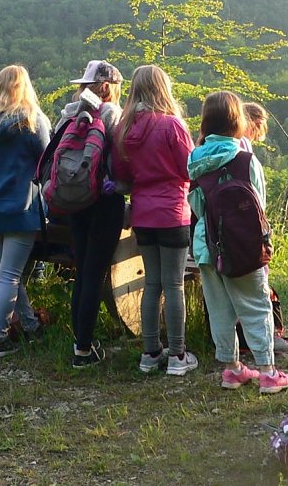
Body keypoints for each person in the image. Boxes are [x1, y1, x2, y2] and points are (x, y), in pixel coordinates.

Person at [188, 91, 288, 393]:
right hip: (243, 245)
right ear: (237, 121)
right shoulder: (246, 159)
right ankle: (268, 372)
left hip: (207, 245)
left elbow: (196, 205)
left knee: (219, 309)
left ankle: (232, 369)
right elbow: (259, 205)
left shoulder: (194, 158)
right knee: (256, 307)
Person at [114, 65, 198, 376]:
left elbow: (122, 175)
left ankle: (150, 353)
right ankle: (177, 355)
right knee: (173, 284)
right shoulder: (172, 125)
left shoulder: (123, 129)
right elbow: (190, 168)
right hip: (172, 211)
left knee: (152, 283)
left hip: (142, 213)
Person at [0, 65, 50, 359]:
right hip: (21, 207)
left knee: (9, 274)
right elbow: (46, 163)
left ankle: (30, 325)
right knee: (10, 275)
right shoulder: (34, 121)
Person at [55, 60, 126, 368]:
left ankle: (80, 341)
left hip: (74, 199)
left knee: (83, 269)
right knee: (95, 273)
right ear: (108, 87)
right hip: (104, 201)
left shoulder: (68, 114)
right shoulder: (112, 114)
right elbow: (122, 158)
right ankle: (83, 349)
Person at [240, 102, 288, 354]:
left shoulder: (214, 148)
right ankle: (268, 341)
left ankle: (240, 343)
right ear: (254, 124)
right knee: (260, 287)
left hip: (218, 234)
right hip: (249, 231)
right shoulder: (245, 154)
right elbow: (258, 200)